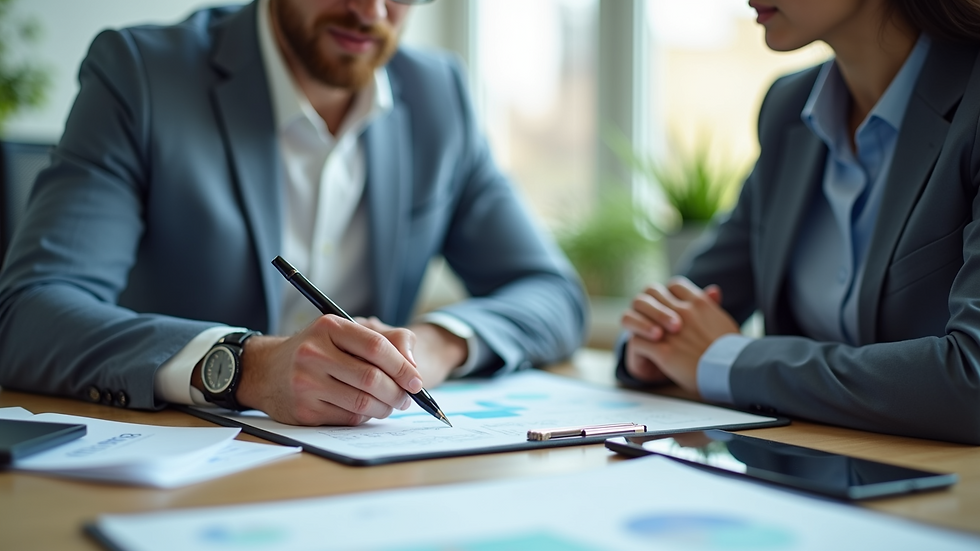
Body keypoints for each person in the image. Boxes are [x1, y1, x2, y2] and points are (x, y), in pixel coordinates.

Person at [0, 0, 587, 426]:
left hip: (366, 474)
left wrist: (437, 345)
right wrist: (246, 367)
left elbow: (552, 292)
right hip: (179, 468)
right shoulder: (142, 75)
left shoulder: (439, 97)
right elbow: (26, 317)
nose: (371, 10)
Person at [618, 0, 980, 444]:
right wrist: (651, 342)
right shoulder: (789, 108)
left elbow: (972, 380)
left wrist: (729, 360)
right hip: (812, 477)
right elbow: (689, 304)